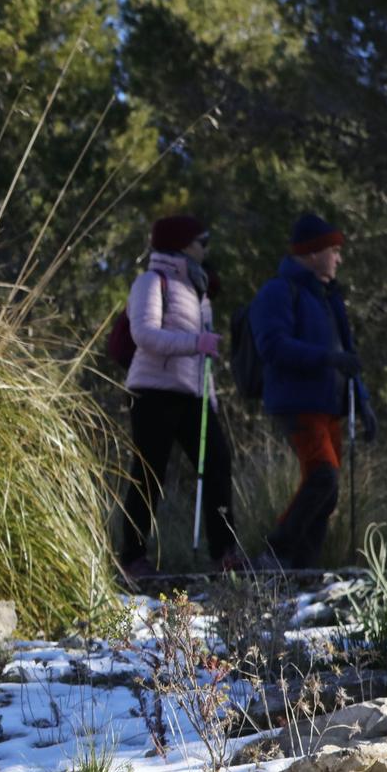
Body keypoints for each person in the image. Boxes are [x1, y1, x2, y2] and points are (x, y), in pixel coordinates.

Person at [246, 212, 376, 569]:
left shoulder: (328, 297)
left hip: (328, 404)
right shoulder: (278, 292)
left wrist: (362, 403)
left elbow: (346, 355)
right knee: (323, 477)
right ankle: (276, 554)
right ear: (313, 252)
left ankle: (304, 566)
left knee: (327, 489)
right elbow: (271, 346)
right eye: (333, 250)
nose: (339, 257)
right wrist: (328, 359)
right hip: (296, 402)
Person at [116, 214, 236, 584]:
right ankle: (132, 558)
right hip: (152, 392)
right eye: (203, 241)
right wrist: (194, 343)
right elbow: (144, 334)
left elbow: (205, 361)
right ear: (184, 244)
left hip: (192, 395)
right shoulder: (152, 281)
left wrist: (210, 400)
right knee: (149, 474)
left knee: (217, 461)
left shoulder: (199, 291)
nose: (206, 248)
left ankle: (225, 553)